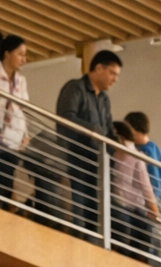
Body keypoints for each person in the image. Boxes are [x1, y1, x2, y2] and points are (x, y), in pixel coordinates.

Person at [55, 50, 121, 232]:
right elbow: (65, 119)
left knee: (96, 211)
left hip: (97, 163)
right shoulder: (75, 88)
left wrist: (119, 146)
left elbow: (107, 129)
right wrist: (92, 130)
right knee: (78, 207)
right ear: (98, 68)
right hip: (75, 159)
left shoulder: (105, 99)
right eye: (112, 73)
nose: (115, 79)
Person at [0, 31, 31, 205]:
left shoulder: (21, 80)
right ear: (7, 53)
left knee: (7, 180)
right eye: (20, 54)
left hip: (13, 138)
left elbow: (21, 110)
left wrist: (25, 133)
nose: (23, 59)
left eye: (24, 55)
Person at [110, 120, 160, 262]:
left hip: (126, 205)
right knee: (137, 230)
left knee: (131, 230)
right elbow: (145, 184)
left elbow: (145, 185)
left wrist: (152, 206)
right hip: (128, 205)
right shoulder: (127, 154)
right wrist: (152, 207)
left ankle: (128, 259)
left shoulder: (126, 155)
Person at [124, 111, 161, 204]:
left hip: (146, 200)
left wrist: (152, 199)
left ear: (134, 130)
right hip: (153, 197)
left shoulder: (144, 152)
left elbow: (154, 177)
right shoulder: (154, 147)